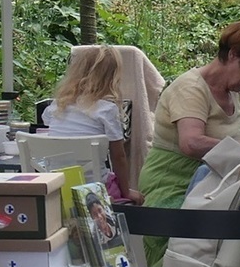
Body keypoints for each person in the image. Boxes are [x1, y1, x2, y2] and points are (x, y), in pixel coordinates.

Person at [136, 22, 240, 261]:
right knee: (181, 258)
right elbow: (191, 143)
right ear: (233, 55)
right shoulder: (190, 88)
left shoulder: (234, 93)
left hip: (215, 191)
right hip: (174, 188)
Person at [43, 44, 161, 203]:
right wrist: (126, 191)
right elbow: (118, 157)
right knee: (136, 197)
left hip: (58, 187)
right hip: (95, 190)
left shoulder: (57, 106)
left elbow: (49, 128)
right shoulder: (106, 110)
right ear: (113, 78)